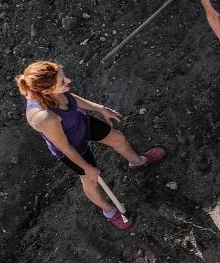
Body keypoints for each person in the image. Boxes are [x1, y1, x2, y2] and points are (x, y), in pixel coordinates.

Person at [16, 60, 165, 230]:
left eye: (64, 77)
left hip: (81, 123)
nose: (69, 81)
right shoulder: (43, 117)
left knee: (118, 139)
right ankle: (110, 212)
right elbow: (65, 147)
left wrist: (100, 108)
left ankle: (137, 162)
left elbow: (71, 98)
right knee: (91, 181)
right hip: (72, 148)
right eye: (63, 82)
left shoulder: (54, 91)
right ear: (46, 91)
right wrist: (87, 168)